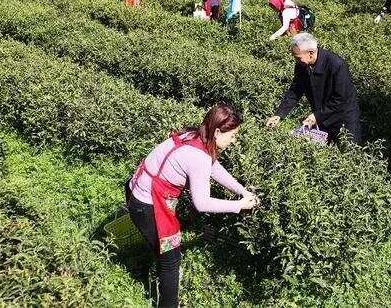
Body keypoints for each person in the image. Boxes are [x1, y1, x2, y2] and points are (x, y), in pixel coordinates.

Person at [127, 104, 259, 308]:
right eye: (233, 135)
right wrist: (239, 206)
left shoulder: (194, 136)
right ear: (217, 132)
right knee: (171, 261)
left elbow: (214, 168)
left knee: (165, 253)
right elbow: (202, 203)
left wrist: (240, 190)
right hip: (146, 205)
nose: (234, 141)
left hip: (137, 191)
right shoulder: (198, 157)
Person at [266, 33, 362, 145]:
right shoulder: (302, 65)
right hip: (322, 116)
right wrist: (279, 114)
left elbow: (340, 99)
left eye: (298, 57)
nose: (296, 61)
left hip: (344, 118)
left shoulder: (336, 65)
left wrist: (316, 116)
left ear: (310, 53)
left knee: (348, 151)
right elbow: (295, 91)